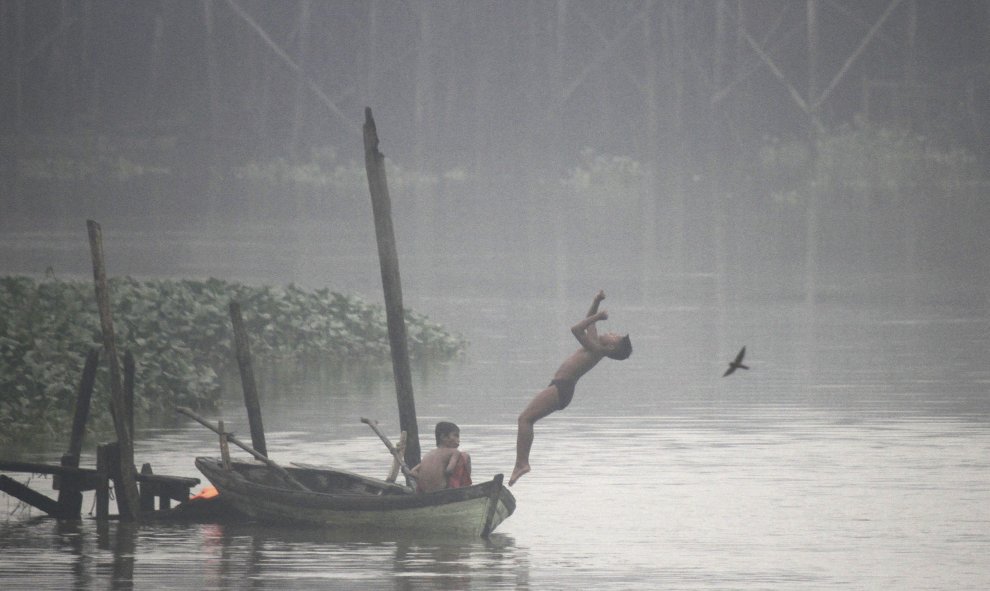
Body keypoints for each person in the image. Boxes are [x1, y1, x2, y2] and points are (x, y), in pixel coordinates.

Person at [509, 290, 631, 486]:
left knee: (525, 419)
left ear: (612, 348)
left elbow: (576, 329)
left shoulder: (597, 349)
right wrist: (596, 302)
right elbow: (589, 324)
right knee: (526, 419)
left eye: (616, 337)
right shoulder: (597, 344)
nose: (612, 332)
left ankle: (522, 464)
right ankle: (521, 463)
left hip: (562, 388)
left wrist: (598, 316)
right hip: (561, 388)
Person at [410, 421, 472, 493]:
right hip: (442, 492)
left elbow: (412, 472)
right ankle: (466, 490)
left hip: (425, 492)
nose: (458, 440)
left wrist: (427, 480)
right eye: (455, 436)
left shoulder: (429, 454)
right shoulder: (454, 452)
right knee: (465, 456)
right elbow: (449, 470)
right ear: (443, 437)